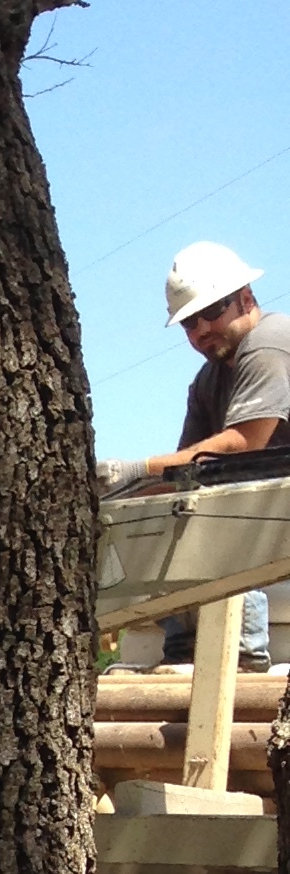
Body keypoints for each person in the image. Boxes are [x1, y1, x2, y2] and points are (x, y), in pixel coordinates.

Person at [97, 242, 289, 665]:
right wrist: (120, 490)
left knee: (224, 531)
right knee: (179, 521)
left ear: (247, 298)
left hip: (274, 533)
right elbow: (187, 476)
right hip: (264, 531)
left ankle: (238, 659)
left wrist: (137, 468)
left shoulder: (272, 341)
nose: (200, 330)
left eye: (212, 311)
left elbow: (243, 442)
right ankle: (188, 657)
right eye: (188, 323)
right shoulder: (207, 382)